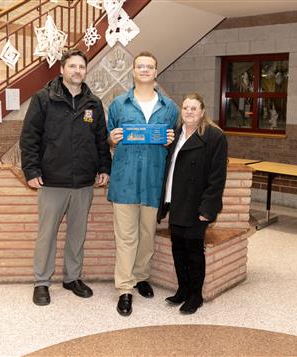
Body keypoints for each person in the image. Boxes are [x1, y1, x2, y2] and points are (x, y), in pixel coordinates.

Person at [20, 49, 111, 306]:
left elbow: (100, 140)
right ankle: (41, 282)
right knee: (46, 234)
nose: (77, 71)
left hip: (83, 182)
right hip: (51, 181)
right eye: (72, 66)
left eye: (81, 67)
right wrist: (32, 171)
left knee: (77, 234)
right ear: (62, 70)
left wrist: (105, 167)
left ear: (85, 71)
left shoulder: (93, 103)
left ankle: (72, 278)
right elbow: (29, 138)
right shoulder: (43, 99)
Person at [107, 51, 179, 316]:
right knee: (126, 237)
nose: (145, 70)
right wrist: (111, 139)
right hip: (124, 180)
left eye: (150, 66)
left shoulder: (170, 107)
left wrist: (170, 140)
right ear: (133, 71)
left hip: (153, 180)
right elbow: (109, 140)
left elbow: (175, 145)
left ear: (156, 72)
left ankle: (141, 276)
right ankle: (125, 289)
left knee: (147, 235)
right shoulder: (118, 105)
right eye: (140, 66)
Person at [157, 93, 228, 314]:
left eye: (193, 108)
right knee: (178, 247)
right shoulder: (176, 134)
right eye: (185, 108)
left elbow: (217, 177)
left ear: (202, 111)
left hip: (197, 204)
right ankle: (183, 289)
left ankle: (195, 295)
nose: (189, 112)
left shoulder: (214, 137)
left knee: (194, 250)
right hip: (176, 200)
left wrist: (208, 208)